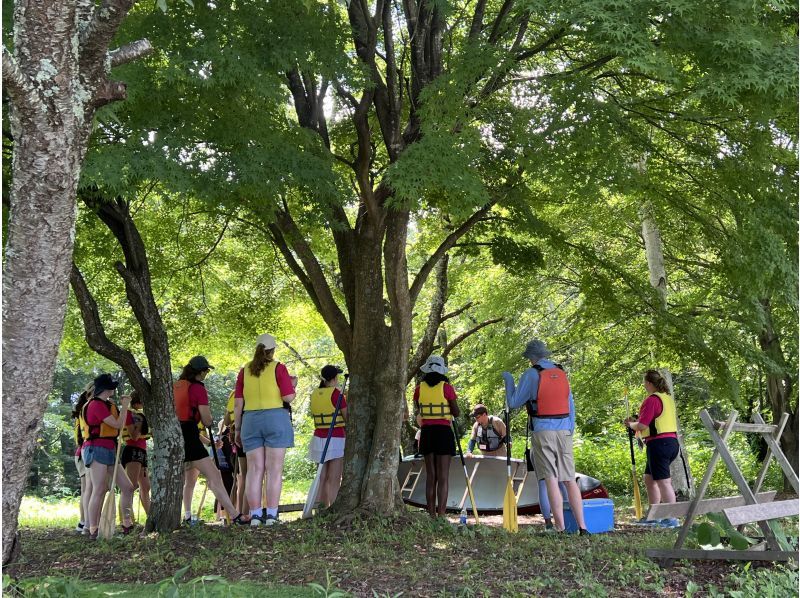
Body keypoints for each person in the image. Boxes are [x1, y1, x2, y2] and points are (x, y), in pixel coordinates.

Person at [506, 339, 589, 535]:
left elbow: (514, 402)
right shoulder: (561, 373)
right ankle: (583, 527)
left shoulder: (531, 373)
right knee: (569, 479)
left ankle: (559, 527)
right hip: (564, 431)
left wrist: (508, 380)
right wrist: (570, 429)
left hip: (543, 431)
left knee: (551, 479)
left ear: (531, 358)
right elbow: (571, 405)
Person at [174, 355, 249, 525]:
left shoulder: (177, 386)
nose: (207, 373)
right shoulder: (198, 388)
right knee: (214, 475)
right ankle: (235, 515)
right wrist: (209, 418)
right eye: (206, 370)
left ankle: (187, 515)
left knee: (189, 480)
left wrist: (208, 442)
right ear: (200, 372)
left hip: (177, 434)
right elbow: (207, 420)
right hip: (191, 435)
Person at [233, 334, 298, 526]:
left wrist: (237, 429)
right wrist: (293, 385)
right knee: (274, 470)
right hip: (276, 419)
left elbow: (238, 403)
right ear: (272, 350)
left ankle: (254, 516)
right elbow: (288, 397)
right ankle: (271, 515)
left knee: (254, 470)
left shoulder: (244, 371)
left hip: (250, 420)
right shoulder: (279, 367)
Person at [80, 374, 135, 539]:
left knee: (128, 487)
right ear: (105, 388)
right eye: (111, 386)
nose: (114, 388)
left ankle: (127, 523)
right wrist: (125, 406)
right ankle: (93, 529)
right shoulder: (95, 405)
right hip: (96, 448)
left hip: (110, 448)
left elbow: (120, 425)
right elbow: (118, 424)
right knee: (100, 488)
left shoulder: (108, 404)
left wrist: (123, 408)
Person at [625, 369, 681, 528]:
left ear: (649, 383)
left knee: (663, 481)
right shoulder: (667, 399)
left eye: (644, 382)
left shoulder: (652, 400)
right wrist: (636, 422)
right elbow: (651, 420)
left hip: (659, 444)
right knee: (649, 479)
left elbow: (642, 425)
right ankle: (653, 516)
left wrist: (631, 424)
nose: (644, 385)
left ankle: (671, 518)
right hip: (670, 443)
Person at [413, 355, 460, 518]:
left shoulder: (419, 388)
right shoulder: (446, 387)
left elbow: (419, 406)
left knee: (431, 476)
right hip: (443, 432)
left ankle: (431, 514)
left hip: (427, 433)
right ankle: (441, 515)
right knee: (443, 476)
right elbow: (456, 412)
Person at [308, 365, 347, 508]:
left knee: (321, 477)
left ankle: (320, 508)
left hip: (318, 438)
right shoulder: (337, 394)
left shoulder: (314, 393)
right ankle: (333, 508)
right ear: (335, 378)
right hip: (335, 438)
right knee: (334, 478)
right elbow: (347, 416)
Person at [120, 391, 151, 517]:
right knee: (130, 487)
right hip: (132, 450)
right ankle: (127, 519)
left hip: (142, 451)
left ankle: (151, 517)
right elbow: (134, 436)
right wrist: (140, 424)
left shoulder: (140, 414)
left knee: (146, 486)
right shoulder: (128, 413)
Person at [71, 382, 94, 534]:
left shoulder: (82, 409)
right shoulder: (88, 409)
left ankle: (83, 522)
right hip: (84, 453)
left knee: (86, 490)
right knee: (87, 490)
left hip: (81, 453)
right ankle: (85, 522)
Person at [224, 390, 249, 515]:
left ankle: (239, 512)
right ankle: (247, 512)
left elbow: (227, 421)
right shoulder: (251, 392)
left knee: (241, 476)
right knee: (253, 474)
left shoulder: (233, 395)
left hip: (235, 438)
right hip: (249, 434)